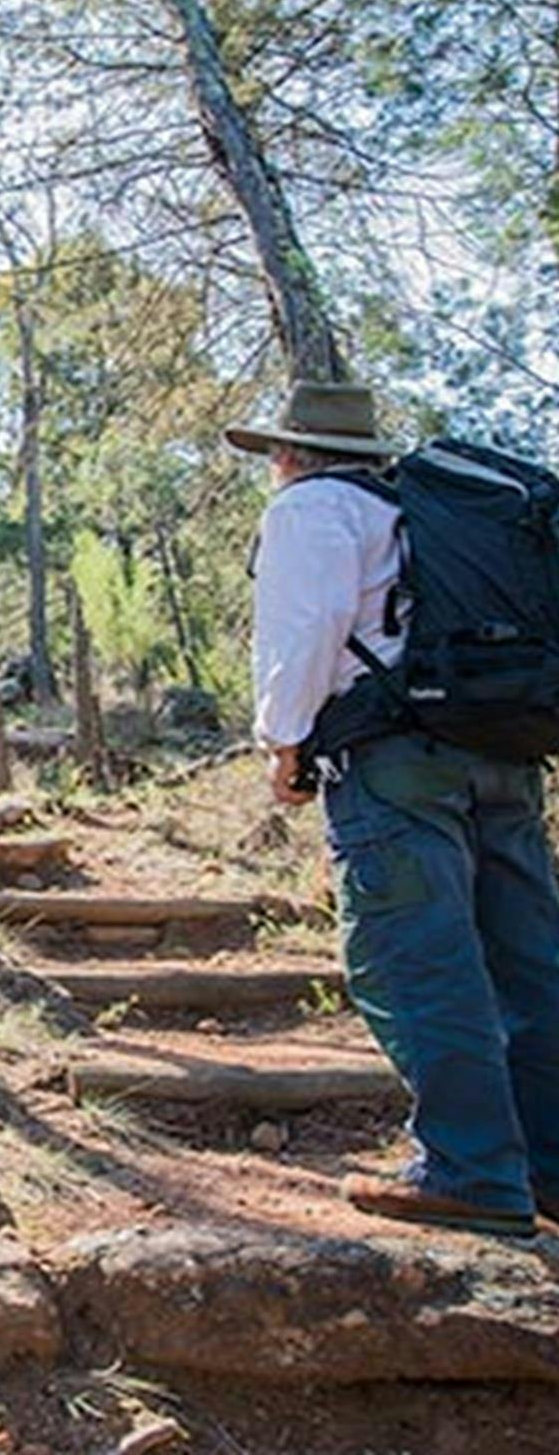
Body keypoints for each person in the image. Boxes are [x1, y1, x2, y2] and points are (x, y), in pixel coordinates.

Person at [237, 381, 559, 1238]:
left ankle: (470, 1172)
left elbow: (305, 633)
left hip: (394, 764)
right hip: (503, 752)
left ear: (288, 453)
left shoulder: (311, 508)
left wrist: (283, 745)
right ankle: (547, 1168)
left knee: (415, 960)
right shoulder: (423, 510)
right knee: (528, 964)